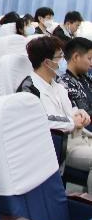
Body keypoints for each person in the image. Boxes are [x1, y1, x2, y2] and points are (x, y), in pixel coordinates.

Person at [18, 36, 92, 191]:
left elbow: (67, 111)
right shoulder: (29, 88)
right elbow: (41, 120)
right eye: (60, 57)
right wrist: (71, 122)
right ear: (47, 62)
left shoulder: (57, 84)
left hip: (79, 138)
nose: (64, 61)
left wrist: (79, 113)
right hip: (62, 146)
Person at [60, 38, 92, 113]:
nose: (91, 63)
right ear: (76, 57)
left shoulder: (85, 77)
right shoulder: (65, 83)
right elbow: (84, 113)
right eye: (89, 58)